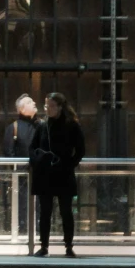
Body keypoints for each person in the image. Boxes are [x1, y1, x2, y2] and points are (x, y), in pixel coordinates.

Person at [30, 93, 85, 258]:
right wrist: (38, 160)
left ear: (60, 107)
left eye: (51, 106)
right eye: (46, 106)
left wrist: (69, 164)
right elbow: (32, 148)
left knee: (65, 211)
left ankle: (68, 245)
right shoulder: (42, 125)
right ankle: (44, 246)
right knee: (45, 212)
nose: (47, 109)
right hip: (46, 173)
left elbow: (80, 150)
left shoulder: (71, 126)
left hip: (62, 173)